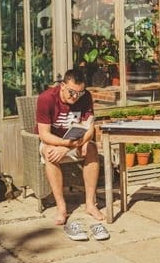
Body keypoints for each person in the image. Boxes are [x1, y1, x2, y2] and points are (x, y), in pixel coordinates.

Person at [36, 69, 108, 239]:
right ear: (62, 86)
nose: (75, 97)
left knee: (91, 148)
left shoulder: (85, 97)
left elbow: (90, 128)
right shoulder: (46, 99)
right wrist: (65, 145)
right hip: (53, 142)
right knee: (50, 153)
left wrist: (77, 144)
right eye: (72, 92)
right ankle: (62, 207)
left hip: (75, 140)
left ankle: (90, 204)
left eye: (79, 93)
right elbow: (44, 134)